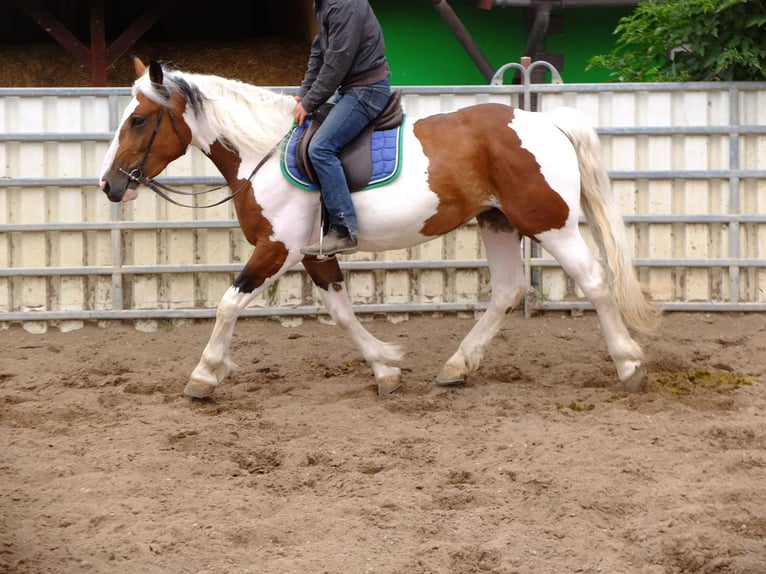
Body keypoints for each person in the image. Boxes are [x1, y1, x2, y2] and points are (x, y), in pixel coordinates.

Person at [295, 0, 391, 257]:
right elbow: (319, 51)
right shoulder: (324, 4)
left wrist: (310, 100)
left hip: (366, 91)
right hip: (350, 90)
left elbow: (337, 61)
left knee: (321, 148)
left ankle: (343, 229)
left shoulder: (345, 5)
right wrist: (303, 93)